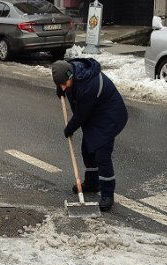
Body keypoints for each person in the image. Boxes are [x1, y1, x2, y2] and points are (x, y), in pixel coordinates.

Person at [52, 58, 128, 212]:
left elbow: (81, 115)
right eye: (61, 84)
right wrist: (62, 89)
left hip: (110, 115)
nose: (63, 87)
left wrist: (69, 128)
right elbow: (67, 87)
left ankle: (107, 194)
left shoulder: (89, 85)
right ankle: (92, 183)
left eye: (65, 84)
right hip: (95, 112)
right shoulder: (69, 72)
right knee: (87, 150)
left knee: (101, 154)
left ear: (71, 76)